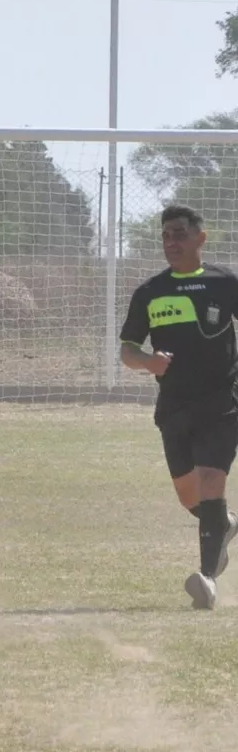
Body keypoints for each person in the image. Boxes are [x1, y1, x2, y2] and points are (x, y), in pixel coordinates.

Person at [119, 204, 238, 610]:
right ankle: (220, 523)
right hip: (174, 407)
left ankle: (206, 579)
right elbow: (128, 349)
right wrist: (147, 362)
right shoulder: (150, 292)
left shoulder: (226, 283)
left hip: (223, 403)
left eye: (180, 234)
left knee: (210, 481)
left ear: (200, 238)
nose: (172, 242)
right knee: (191, 497)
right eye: (166, 235)